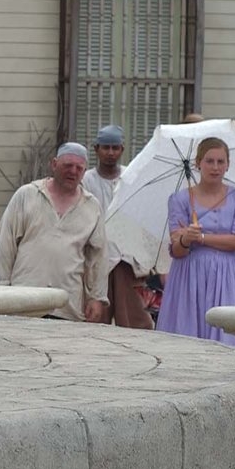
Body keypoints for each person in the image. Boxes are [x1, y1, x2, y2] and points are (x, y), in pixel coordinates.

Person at [0, 143, 108, 324]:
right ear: (54, 164)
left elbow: (98, 258)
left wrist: (96, 297)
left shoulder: (92, 207)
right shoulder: (27, 195)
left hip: (67, 304)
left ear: (84, 171)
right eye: (67, 165)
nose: (73, 171)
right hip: (23, 300)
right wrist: (1, 288)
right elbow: (5, 245)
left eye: (79, 168)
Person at [157, 138, 235, 347]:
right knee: (187, 340)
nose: (215, 167)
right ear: (198, 163)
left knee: (229, 340)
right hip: (189, 276)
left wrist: (200, 238)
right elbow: (177, 250)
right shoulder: (179, 200)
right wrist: (185, 239)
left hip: (226, 275)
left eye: (220, 161)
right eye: (209, 161)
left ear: (228, 165)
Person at [80, 126, 152, 329]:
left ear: (122, 149)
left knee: (132, 320)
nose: (110, 153)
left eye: (115, 148)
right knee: (95, 319)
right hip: (95, 257)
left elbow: (141, 217)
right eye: (106, 148)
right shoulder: (86, 180)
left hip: (125, 258)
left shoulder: (131, 177)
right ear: (96, 149)